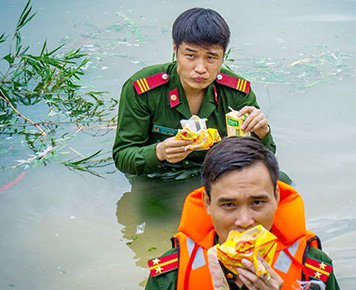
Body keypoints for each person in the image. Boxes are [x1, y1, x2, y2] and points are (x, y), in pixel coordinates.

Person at [138, 136, 347, 290]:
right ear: (207, 203)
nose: (245, 221)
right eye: (229, 204)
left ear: (276, 196)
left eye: (257, 202)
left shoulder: (312, 269)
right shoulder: (172, 273)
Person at [113, 8, 276, 177]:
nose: (200, 69)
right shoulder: (142, 89)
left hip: (218, 175)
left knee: (281, 184)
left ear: (223, 56)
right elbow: (122, 156)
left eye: (211, 58)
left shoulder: (237, 92)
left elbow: (263, 160)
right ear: (175, 49)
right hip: (161, 178)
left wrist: (262, 133)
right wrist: (158, 152)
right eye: (190, 56)